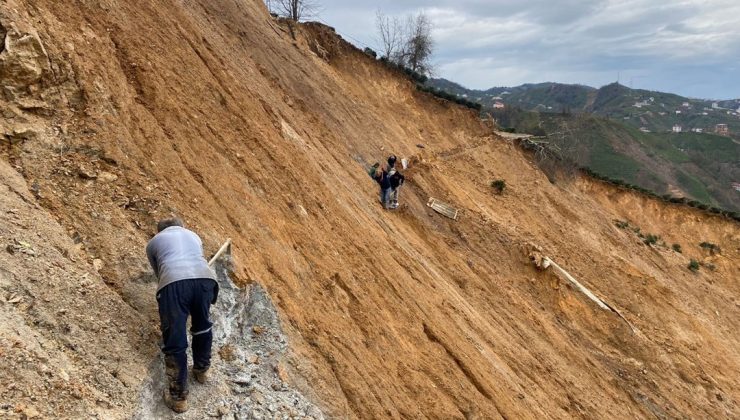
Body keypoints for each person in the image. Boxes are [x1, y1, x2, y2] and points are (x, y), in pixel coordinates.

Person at [146, 218, 219, 413]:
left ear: (159, 231)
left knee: (175, 338)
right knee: (202, 326)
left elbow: (160, 274)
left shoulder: (153, 243)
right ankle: (202, 370)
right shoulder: (193, 236)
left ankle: (178, 398)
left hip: (174, 283)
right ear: (181, 227)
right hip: (205, 279)